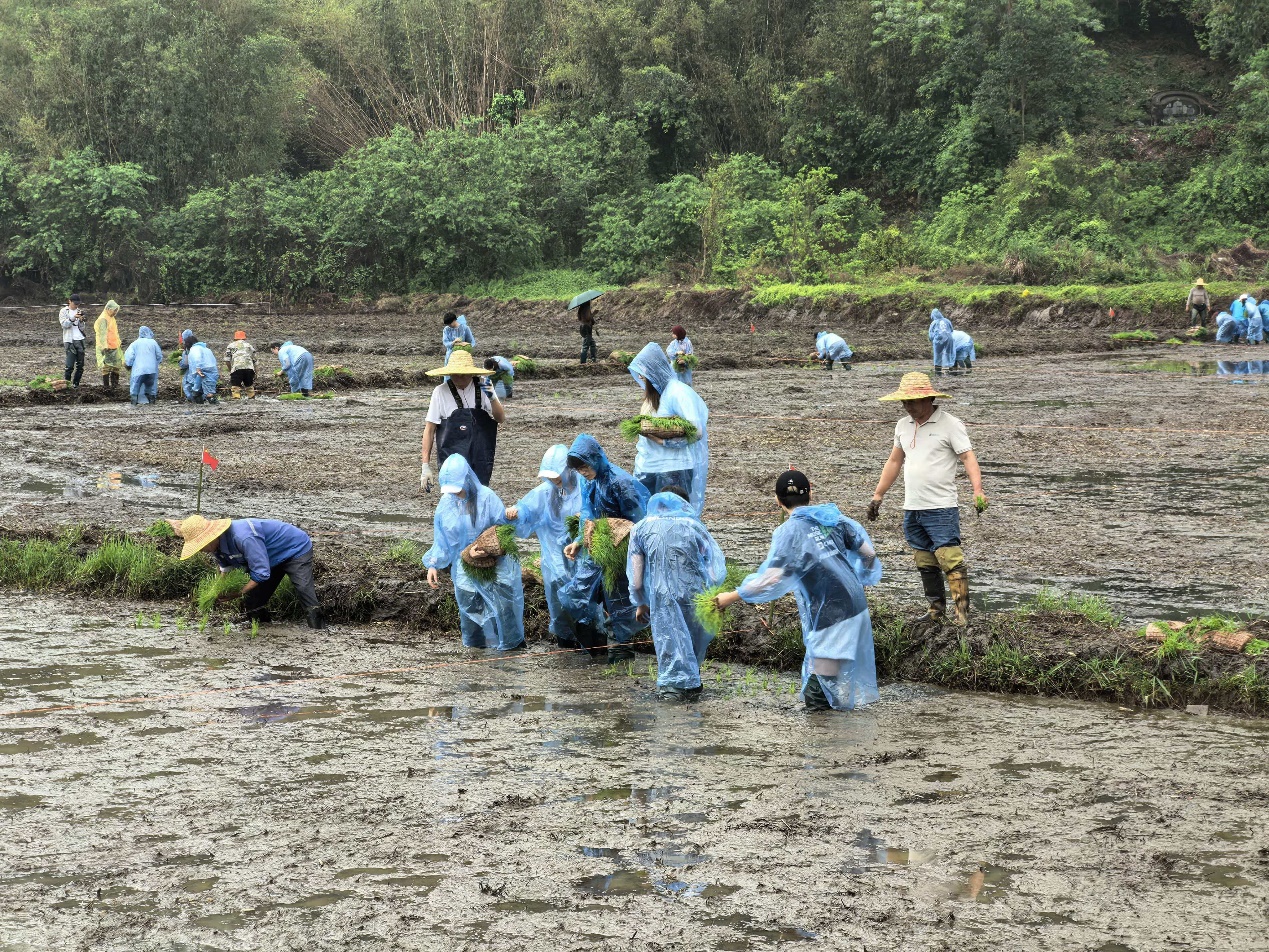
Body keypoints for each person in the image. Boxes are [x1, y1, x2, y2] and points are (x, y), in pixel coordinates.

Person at [713, 470, 881, 712]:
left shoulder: (789, 532)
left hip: (832, 614)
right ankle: (836, 728)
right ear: (810, 493)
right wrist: (856, 579)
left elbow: (772, 578)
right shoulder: (833, 518)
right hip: (855, 604)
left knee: (819, 688)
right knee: (828, 679)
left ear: (777, 500)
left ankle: (825, 732)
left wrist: (729, 597)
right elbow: (869, 555)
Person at [866, 372, 986, 630]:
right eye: (904, 402)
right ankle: (935, 610)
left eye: (912, 401)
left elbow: (968, 458)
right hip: (913, 507)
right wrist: (878, 495)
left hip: (941, 506)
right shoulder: (902, 425)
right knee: (924, 559)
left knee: (950, 557)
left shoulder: (950, 424)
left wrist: (978, 490)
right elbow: (895, 461)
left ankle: (962, 615)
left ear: (929, 399)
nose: (907, 407)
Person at [628, 487, 727, 701]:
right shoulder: (694, 526)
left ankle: (672, 692)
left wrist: (641, 602)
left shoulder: (640, 529)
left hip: (662, 597)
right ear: (684, 504)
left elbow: (636, 580)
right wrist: (710, 596)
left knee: (669, 641)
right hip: (695, 596)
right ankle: (692, 687)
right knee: (692, 642)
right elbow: (715, 571)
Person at [561, 433, 650, 663]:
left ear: (596, 459)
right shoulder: (587, 480)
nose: (583, 472)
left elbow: (638, 521)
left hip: (621, 550)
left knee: (618, 600)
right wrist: (579, 541)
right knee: (576, 594)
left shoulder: (620, 483)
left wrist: (634, 551)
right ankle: (597, 648)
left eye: (585, 467)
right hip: (597, 549)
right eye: (579, 469)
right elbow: (588, 513)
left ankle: (620, 655)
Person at [423, 453, 525, 651]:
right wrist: (433, 564)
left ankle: (510, 651)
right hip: (464, 570)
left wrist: (487, 549)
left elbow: (503, 530)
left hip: (494, 569)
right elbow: (442, 539)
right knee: (470, 614)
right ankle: (475, 653)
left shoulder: (487, 498)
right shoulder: (446, 503)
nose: (455, 494)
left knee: (501, 612)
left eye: (458, 489)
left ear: (467, 480)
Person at [174, 514, 325, 629]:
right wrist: (216, 591)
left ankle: (318, 633)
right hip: (267, 558)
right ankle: (266, 634)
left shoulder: (243, 537)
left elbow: (261, 573)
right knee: (253, 602)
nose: (201, 550)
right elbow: (225, 570)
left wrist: (239, 593)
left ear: (210, 537)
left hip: (294, 548)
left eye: (200, 546)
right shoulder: (215, 547)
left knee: (304, 591)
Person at [506, 444, 581, 648]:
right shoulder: (546, 492)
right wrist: (516, 512)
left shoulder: (584, 487)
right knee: (558, 600)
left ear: (568, 470)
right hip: (554, 558)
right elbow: (526, 508)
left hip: (581, 554)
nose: (554, 481)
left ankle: (590, 641)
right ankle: (566, 642)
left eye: (557, 476)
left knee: (583, 598)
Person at [627, 342, 710, 515]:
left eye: (644, 372)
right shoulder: (651, 396)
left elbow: (696, 431)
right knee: (648, 516)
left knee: (673, 516)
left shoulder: (678, 393)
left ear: (654, 370)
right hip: (648, 466)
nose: (640, 377)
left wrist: (663, 441)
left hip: (674, 469)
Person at [421, 349, 505, 491]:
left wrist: (492, 398)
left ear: (471, 373)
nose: (459, 378)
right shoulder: (440, 392)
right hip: (451, 458)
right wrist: (425, 465)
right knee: (455, 494)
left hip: (480, 458)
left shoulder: (484, 386)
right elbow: (429, 429)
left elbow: (500, 418)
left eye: (463, 375)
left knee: (478, 495)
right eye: (455, 375)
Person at [123, 326, 163, 405]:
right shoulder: (153, 342)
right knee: (151, 389)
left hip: (138, 370)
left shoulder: (134, 344)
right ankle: (152, 404)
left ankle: (134, 404)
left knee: (135, 389)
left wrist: (128, 365)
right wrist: (155, 363)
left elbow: (129, 357)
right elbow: (159, 356)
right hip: (152, 370)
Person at [180, 330, 219, 404]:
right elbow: (213, 360)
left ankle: (209, 402)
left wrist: (198, 368)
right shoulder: (205, 348)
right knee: (199, 389)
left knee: (207, 391)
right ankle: (201, 401)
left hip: (202, 370)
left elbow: (197, 358)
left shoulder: (194, 349)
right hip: (210, 370)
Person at [93, 300, 123, 392]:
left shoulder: (111, 317)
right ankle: (106, 387)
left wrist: (118, 343)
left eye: (116, 311)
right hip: (107, 347)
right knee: (106, 367)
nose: (115, 312)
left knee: (116, 366)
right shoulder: (103, 319)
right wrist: (104, 346)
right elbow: (102, 334)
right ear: (108, 309)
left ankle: (115, 386)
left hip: (114, 346)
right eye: (114, 310)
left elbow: (114, 332)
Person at [59, 293, 86, 389]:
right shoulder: (64, 311)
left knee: (80, 365)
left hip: (80, 339)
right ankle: (67, 385)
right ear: (69, 301)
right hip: (69, 340)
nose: (76, 306)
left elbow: (82, 328)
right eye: (75, 304)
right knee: (69, 365)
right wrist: (73, 318)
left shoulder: (79, 311)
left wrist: (82, 320)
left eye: (78, 304)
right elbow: (64, 325)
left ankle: (76, 384)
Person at [225, 330, 258, 399]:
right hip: (249, 368)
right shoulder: (249, 345)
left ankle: (236, 399)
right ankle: (252, 398)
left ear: (235, 338)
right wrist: (256, 373)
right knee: (249, 385)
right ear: (244, 338)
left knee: (235, 386)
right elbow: (255, 360)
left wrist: (230, 370)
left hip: (236, 368)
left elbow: (227, 360)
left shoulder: (231, 346)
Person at [928, 309, 956, 375]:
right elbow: (951, 330)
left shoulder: (934, 323)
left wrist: (932, 339)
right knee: (949, 353)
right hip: (949, 338)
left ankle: (938, 370)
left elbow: (931, 334)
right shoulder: (947, 321)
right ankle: (951, 368)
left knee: (937, 354)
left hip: (939, 338)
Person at [577, 300, 598, 364]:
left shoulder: (581, 308)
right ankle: (583, 361)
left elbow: (590, 320)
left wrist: (592, 318)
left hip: (584, 328)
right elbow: (587, 318)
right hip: (586, 328)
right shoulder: (586, 308)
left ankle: (593, 359)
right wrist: (594, 313)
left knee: (592, 344)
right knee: (585, 346)